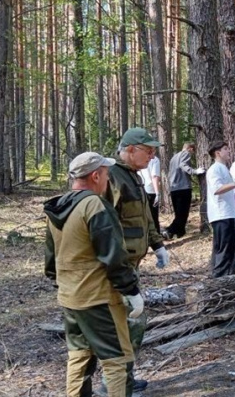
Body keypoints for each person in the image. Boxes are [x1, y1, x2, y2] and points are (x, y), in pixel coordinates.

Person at [44, 152, 142, 396]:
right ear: (96, 175)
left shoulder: (58, 209)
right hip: (98, 298)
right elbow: (114, 257)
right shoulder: (94, 205)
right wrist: (131, 290)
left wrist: (65, 284)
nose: (108, 180)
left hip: (70, 297)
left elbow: (50, 261)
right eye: (107, 175)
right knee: (116, 360)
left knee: (78, 357)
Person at [105, 127, 170, 393]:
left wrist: (157, 244)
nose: (152, 154)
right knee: (124, 324)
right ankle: (114, 383)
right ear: (130, 149)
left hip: (132, 264)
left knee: (132, 323)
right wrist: (117, 268)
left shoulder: (134, 176)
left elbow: (144, 218)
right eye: (148, 149)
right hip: (117, 267)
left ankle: (125, 378)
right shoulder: (112, 178)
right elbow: (105, 227)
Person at [206, 141, 235, 277]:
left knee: (229, 247)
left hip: (228, 213)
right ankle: (218, 278)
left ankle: (224, 277)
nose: (228, 151)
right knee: (224, 248)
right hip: (220, 214)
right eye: (225, 149)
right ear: (217, 153)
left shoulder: (224, 168)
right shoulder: (215, 169)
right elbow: (217, 189)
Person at [163, 143, 205, 240]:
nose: (192, 154)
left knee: (179, 213)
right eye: (193, 151)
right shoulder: (185, 154)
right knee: (183, 214)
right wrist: (195, 171)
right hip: (183, 188)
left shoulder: (174, 157)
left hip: (174, 188)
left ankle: (180, 232)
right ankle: (169, 231)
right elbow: (183, 165)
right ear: (190, 148)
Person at [138, 152, 162, 234]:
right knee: (153, 217)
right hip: (151, 191)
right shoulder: (154, 160)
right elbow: (154, 176)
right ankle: (157, 241)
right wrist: (157, 193)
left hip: (140, 190)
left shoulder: (139, 157)